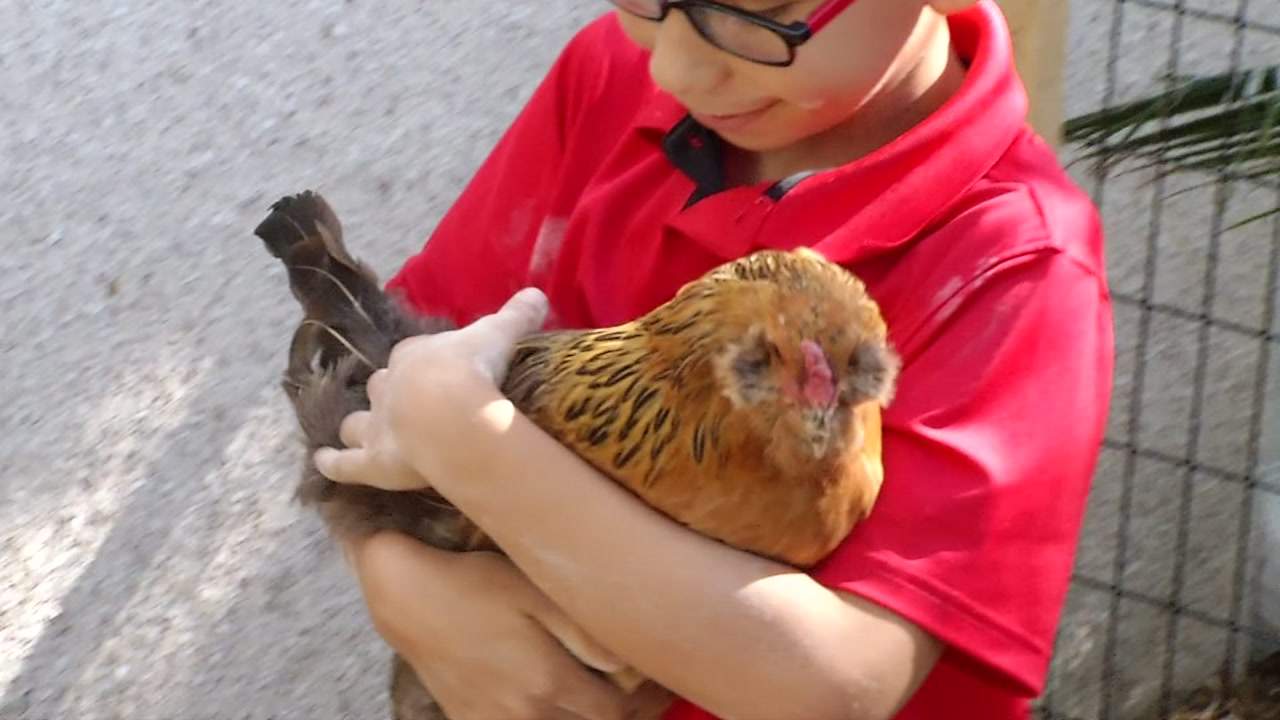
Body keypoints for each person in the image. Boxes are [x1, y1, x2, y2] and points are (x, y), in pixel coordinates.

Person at [312, 0, 1115, 718]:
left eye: (761, 9)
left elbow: (831, 690)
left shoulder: (1014, 267)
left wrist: (473, 443)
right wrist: (395, 574)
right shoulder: (610, 77)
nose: (676, 65)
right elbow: (373, 363)